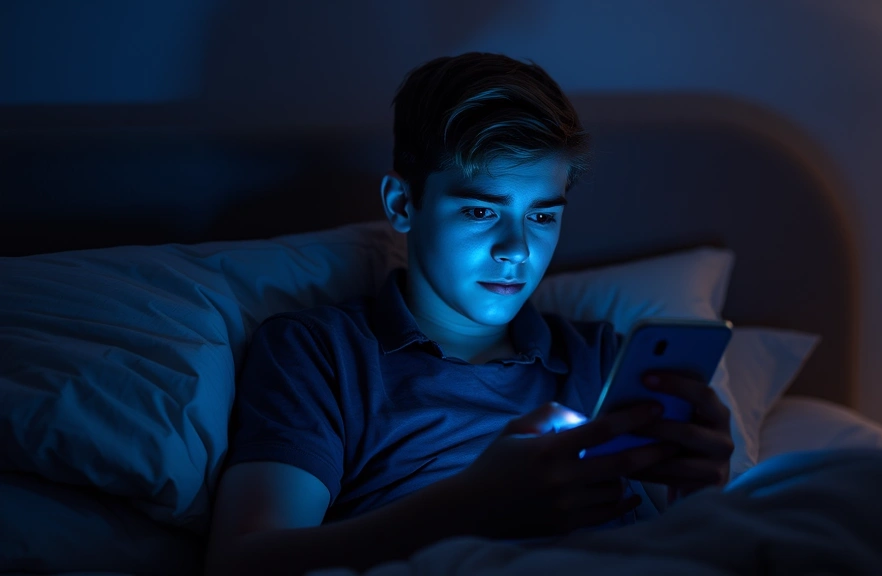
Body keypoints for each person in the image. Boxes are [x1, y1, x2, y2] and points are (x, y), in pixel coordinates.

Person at [204, 52, 734, 576]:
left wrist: (701, 493)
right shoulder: (321, 355)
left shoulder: (600, 359)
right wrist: (469, 508)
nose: (517, 249)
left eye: (542, 215)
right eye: (482, 211)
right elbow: (242, 564)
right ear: (402, 204)